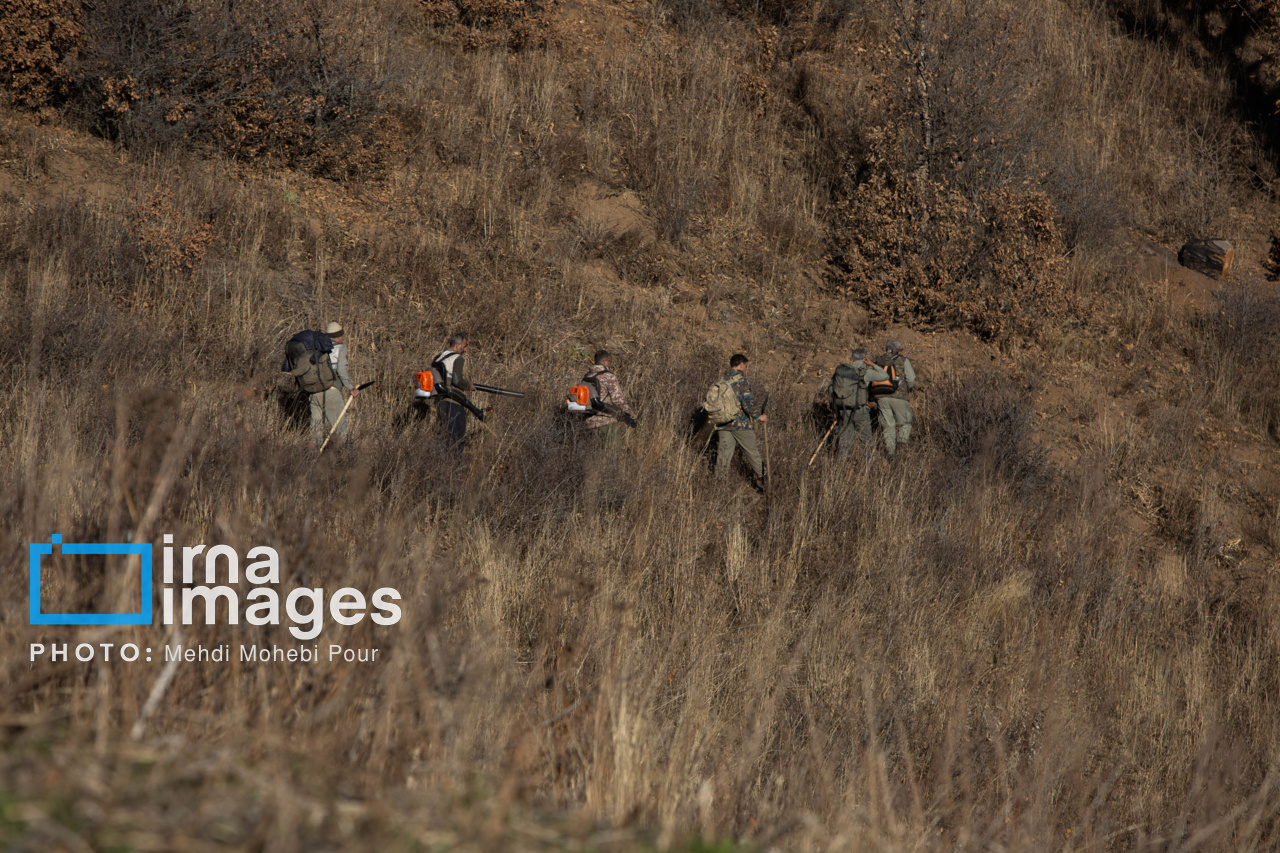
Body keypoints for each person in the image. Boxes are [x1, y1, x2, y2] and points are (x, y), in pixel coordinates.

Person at [715, 353, 768, 489]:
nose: (745, 368)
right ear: (740, 365)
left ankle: (719, 486)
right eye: (745, 365)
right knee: (752, 452)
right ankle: (767, 482)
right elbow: (747, 403)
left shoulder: (722, 380)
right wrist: (758, 416)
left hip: (723, 423)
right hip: (741, 424)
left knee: (723, 456)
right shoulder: (741, 381)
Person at [828, 347, 891, 459]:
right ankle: (868, 468)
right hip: (860, 410)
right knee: (866, 442)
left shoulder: (842, 373)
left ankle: (840, 468)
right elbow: (885, 376)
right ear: (864, 359)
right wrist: (872, 364)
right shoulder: (866, 373)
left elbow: (831, 391)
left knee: (844, 443)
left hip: (843, 410)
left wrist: (834, 410)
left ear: (851, 359)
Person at [310, 321, 359, 447]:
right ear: (338, 337)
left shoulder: (316, 349)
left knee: (315, 433)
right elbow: (342, 370)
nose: (343, 338)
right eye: (342, 336)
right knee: (342, 431)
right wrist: (350, 388)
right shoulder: (340, 348)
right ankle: (345, 461)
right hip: (331, 392)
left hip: (314, 393)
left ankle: (311, 460)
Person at [582, 350, 637, 451]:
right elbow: (618, 400)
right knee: (612, 456)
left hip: (589, 423)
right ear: (605, 362)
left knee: (594, 458)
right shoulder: (608, 376)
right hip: (606, 422)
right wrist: (630, 413)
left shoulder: (587, 376)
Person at [873, 339, 917, 456]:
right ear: (897, 349)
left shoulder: (877, 360)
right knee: (904, 423)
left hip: (881, 397)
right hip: (899, 397)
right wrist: (905, 389)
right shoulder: (903, 360)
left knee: (888, 426)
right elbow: (911, 379)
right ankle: (901, 449)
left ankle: (890, 453)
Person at [433, 333, 476, 447]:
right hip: (453, 404)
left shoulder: (438, 357)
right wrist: (468, 386)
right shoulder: (457, 357)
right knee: (455, 440)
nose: (466, 349)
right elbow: (457, 380)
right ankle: (453, 464)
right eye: (465, 346)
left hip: (440, 404)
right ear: (458, 346)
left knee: (443, 438)